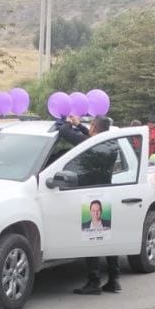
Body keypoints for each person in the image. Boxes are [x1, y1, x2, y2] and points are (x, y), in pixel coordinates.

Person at [54, 114, 122, 295]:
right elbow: (90, 137)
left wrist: (68, 123)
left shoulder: (90, 145)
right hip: (106, 193)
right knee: (107, 238)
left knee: (92, 239)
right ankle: (114, 280)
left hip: (90, 194)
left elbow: (65, 132)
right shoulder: (111, 143)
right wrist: (80, 125)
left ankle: (94, 282)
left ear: (93, 127)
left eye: (90, 126)